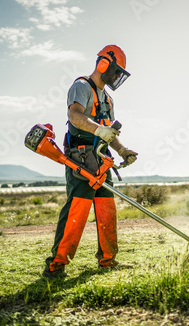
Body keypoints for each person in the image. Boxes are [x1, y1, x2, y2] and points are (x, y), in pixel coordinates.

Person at [43, 45, 138, 279]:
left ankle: (108, 260)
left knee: (107, 210)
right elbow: (74, 115)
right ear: (104, 64)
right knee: (77, 211)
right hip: (81, 159)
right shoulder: (81, 87)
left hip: (102, 161)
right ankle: (56, 265)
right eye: (116, 71)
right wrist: (99, 130)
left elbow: (109, 134)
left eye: (119, 74)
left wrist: (123, 150)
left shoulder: (108, 99)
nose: (117, 77)